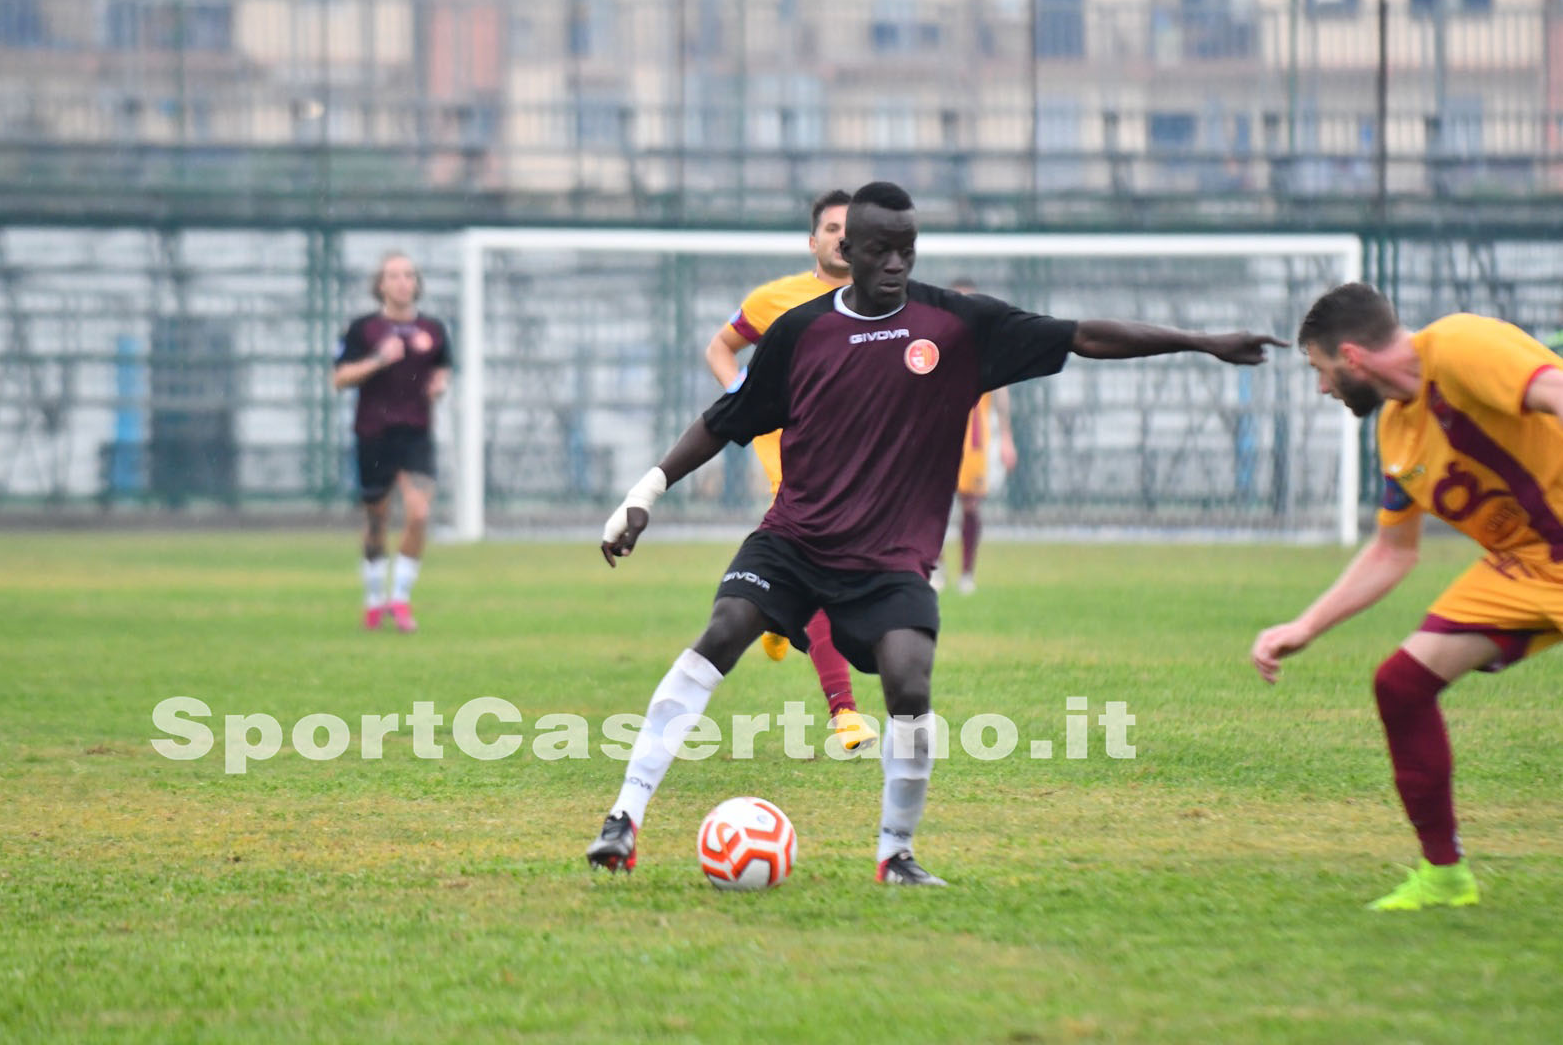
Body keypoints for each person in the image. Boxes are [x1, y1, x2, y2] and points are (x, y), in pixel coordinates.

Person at [586, 181, 1282, 883]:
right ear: (846, 250)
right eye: (881, 250)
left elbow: (1082, 335)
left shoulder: (955, 326)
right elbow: (722, 419)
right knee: (724, 629)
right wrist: (645, 494)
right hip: (795, 540)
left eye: (908, 250)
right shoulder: (801, 332)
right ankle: (624, 818)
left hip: (890, 560)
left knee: (910, 686)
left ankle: (896, 853)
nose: (896, 263)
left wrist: (1200, 343)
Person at [1252, 283, 1563, 911]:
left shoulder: (1459, 345)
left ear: (1351, 356)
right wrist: (1305, 625)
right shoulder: (1397, 434)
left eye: (1320, 371)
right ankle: (1445, 875)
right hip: (1527, 571)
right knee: (1401, 684)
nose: (1322, 388)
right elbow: (1393, 552)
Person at [705, 189, 876, 754]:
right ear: (814, 241)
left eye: (852, 229)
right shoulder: (776, 300)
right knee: (826, 577)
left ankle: (780, 621)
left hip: (859, 469)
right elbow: (721, 347)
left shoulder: (884, 304)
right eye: (832, 228)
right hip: (795, 465)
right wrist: (745, 399)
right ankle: (844, 712)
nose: (842, 237)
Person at [331, 252, 451, 633]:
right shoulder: (362, 330)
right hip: (373, 433)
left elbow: (442, 368)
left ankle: (399, 598)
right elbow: (340, 378)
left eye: (408, 276)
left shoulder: (433, 330)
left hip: (415, 434)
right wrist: (378, 360)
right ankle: (372, 599)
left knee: (418, 514)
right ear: (380, 285)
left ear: (416, 283)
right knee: (376, 520)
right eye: (394, 276)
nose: (402, 282)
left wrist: (439, 383)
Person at [931, 278, 1018, 595]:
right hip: (939, 433)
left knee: (970, 504)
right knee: (934, 502)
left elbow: (1001, 392)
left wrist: (1006, 437)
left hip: (975, 437)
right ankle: (935, 566)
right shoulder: (935, 341)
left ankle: (967, 573)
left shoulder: (987, 345)